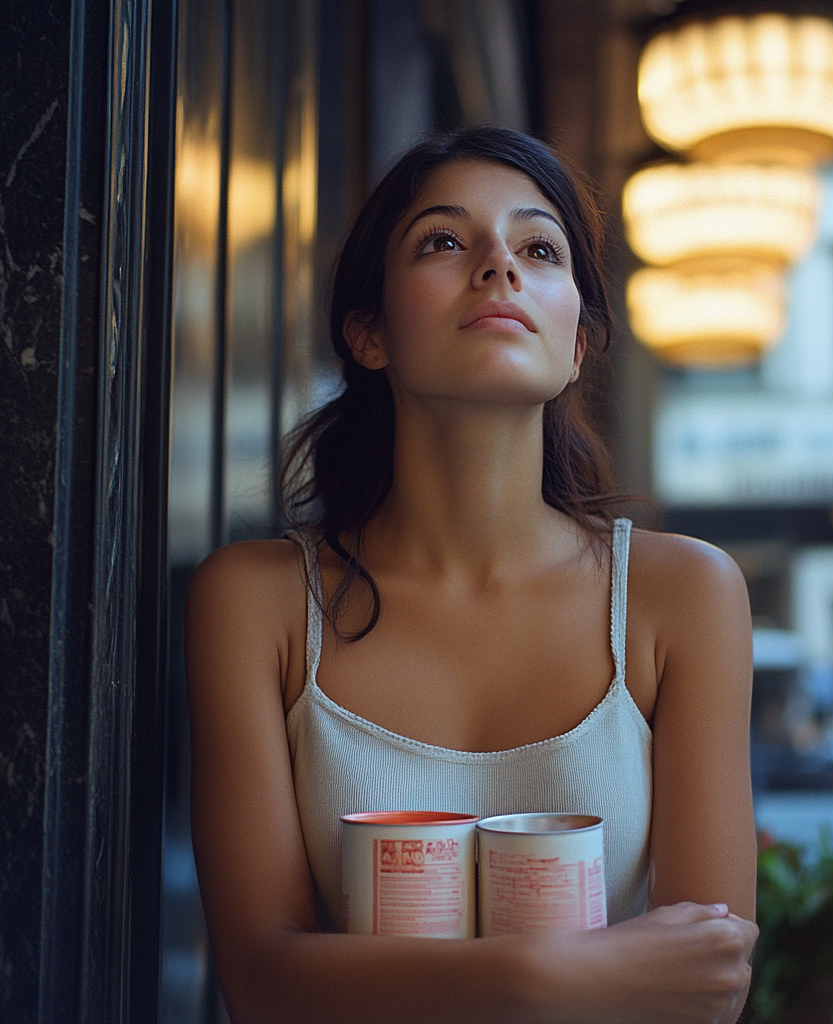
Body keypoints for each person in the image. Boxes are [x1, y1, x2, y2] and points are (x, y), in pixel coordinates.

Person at [186, 125, 757, 1024]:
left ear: (576, 346)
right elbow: (262, 983)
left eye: (538, 248)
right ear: (369, 333)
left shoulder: (681, 595)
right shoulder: (253, 602)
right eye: (445, 242)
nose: (499, 266)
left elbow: (712, 978)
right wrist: (540, 980)